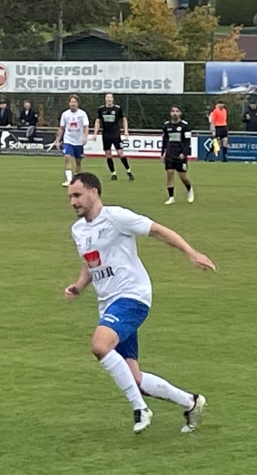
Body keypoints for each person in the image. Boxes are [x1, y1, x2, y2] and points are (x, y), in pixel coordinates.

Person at [63, 172, 212, 434]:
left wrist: (192, 252)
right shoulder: (78, 230)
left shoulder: (117, 217)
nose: (73, 202)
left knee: (99, 345)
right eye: (70, 197)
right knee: (134, 378)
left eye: (77, 195)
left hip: (132, 295)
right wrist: (79, 285)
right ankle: (191, 402)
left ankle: (140, 409)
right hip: (108, 303)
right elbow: (92, 262)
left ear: (94, 192)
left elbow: (158, 231)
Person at [160, 106, 195, 204]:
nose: (174, 113)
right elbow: (164, 140)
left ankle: (189, 189)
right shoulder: (166, 125)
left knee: (182, 176)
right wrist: (162, 153)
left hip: (180, 154)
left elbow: (187, 141)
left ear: (180, 113)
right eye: (173, 111)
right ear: (170, 113)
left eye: (177, 111)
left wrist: (184, 153)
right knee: (169, 173)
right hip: (170, 153)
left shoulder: (185, 126)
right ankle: (171, 197)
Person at [95, 92, 133, 181]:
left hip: (115, 134)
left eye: (110, 97)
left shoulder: (117, 109)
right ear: (105, 99)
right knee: (108, 154)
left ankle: (128, 171)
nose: (109, 99)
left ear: (112, 99)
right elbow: (98, 121)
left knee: (120, 153)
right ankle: (113, 173)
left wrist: (126, 130)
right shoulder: (101, 109)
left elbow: (124, 119)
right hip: (106, 135)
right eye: (107, 97)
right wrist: (95, 133)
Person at [58, 95, 90, 185]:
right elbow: (61, 128)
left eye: (74, 102)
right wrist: (57, 140)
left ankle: (77, 180)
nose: (73, 104)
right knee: (67, 157)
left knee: (78, 161)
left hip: (78, 141)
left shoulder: (82, 114)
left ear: (77, 103)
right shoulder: (65, 114)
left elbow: (86, 126)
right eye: (71, 102)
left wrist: (85, 137)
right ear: (69, 103)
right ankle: (69, 180)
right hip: (68, 140)